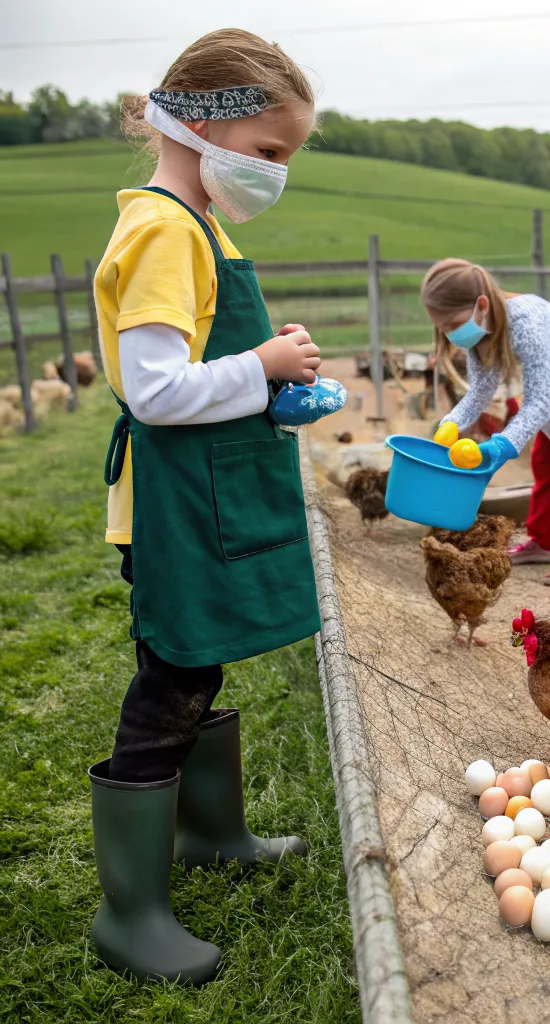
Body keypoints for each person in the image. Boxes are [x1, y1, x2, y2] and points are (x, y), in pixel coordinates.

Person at [92, 29, 324, 985]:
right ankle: (128, 914)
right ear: (199, 121)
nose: (276, 173)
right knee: (170, 687)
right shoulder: (160, 229)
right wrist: (265, 367)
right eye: (270, 151)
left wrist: (274, 385)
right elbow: (155, 390)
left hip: (205, 497)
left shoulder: (198, 222)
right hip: (174, 508)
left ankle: (209, 836)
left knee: (201, 668)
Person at [421, 259, 550, 586]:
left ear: (481, 305)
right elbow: (481, 390)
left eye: (453, 323)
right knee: (544, 463)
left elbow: (537, 402)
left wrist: (502, 445)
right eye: (443, 328)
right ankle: (542, 541)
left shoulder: (524, 323)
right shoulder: (478, 331)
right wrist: (451, 423)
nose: (451, 334)